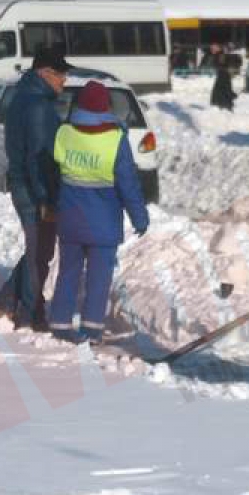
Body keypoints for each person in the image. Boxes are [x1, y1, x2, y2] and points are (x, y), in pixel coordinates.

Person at [49, 80, 149, 344]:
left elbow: (51, 173)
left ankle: (59, 323)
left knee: (68, 272)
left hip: (69, 219)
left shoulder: (64, 133)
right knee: (98, 278)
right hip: (102, 224)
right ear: (105, 106)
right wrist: (139, 217)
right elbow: (128, 183)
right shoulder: (115, 139)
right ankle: (91, 329)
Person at [0, 46, 71, 331]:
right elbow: (38, 158)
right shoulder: (38, 106)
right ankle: (31, 315)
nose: (65, 79)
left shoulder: (24, 96)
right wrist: (45, 198)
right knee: (40, 253)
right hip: (33, 189)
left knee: (36, 250)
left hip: (23, 183)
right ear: (45, 73)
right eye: (61, 74)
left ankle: (5, 302)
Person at [208, 43, 236, 111]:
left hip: (223, 75)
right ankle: (224, 104)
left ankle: (223, 105)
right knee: (221, 90)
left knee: (221, 90)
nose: (211, 50)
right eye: (211, 49)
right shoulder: (219, 54)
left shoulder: (221, 54)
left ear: (217, 48)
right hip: (222, 74)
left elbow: (222, 64)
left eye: (213, 49)